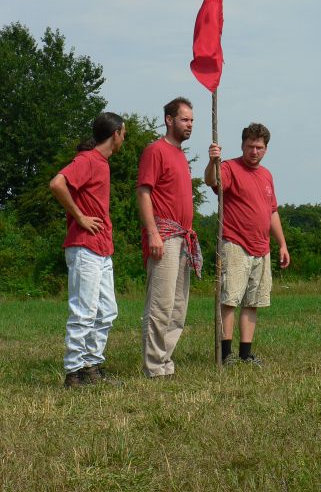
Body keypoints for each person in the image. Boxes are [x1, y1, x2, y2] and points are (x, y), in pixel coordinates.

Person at [49, 112, 126, 388]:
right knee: (84, 310)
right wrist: (80, 217)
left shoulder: (102, 163)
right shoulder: (88, 160)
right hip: (84, 247)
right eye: (123, 133)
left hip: (102, 248)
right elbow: (57, 183)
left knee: (107, 310)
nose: (124, 138)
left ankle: (92, 365)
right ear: (115, 133)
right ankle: (73, 373)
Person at [204, 122, 290, 365]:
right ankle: (225, 354)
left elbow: (272, 212)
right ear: (242, 145)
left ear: (266, 149)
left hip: (262, 248)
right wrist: (213, 161)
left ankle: (245, 354)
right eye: (250, 146)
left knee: (254, 302)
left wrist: (282, 244)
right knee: (230, 299)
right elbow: (212, 181)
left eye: (259, 147)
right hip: (235, 244)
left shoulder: (266, 175)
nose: (254, 152)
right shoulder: (229, 167)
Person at [137, 97, 202, 378]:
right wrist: (153, 233)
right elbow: (143, 192)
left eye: (192, 121)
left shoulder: (180, 155)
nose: (190, 125)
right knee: (160, 304)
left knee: (177, 307)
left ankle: (165, 362)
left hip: (183, 238)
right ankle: (153, 366)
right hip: (164, 235)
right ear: (169, 120)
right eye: (185, 119)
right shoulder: (155, 151)